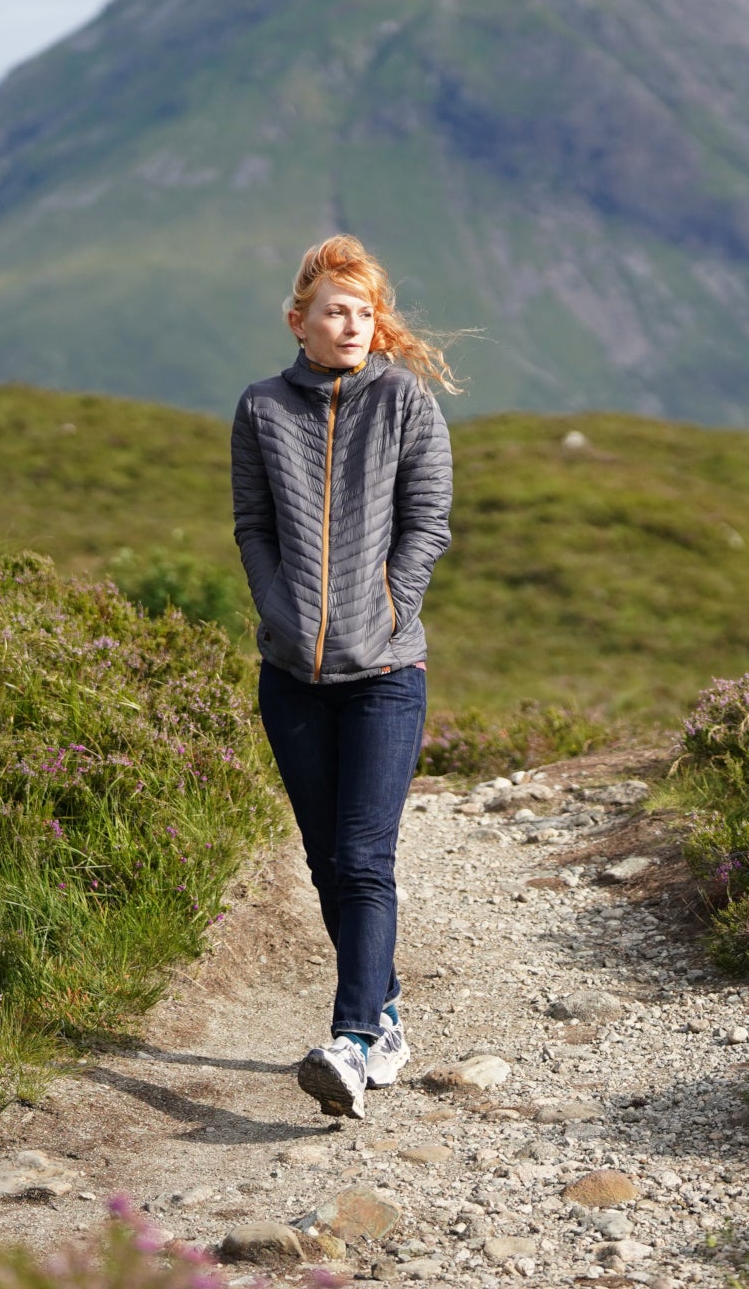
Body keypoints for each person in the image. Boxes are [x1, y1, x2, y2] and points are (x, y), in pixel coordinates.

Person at [229, 234, 458, 1119]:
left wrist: (391, 610)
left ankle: (355, 1041)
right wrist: (279, 612)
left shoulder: (406, 402)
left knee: (365, 856)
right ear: (300, 321)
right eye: (336, 309)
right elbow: (252, 525)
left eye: (366, 312)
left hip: (385, 673)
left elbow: (428, 521)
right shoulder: (260, 410)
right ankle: (387, 1010)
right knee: (328, 863)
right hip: (290, 676)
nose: (353, 324)